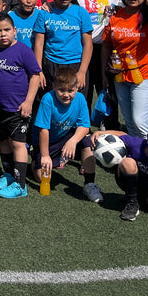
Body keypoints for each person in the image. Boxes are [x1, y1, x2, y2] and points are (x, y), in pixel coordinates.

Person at [0, 16, 42, 199]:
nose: (3, 34)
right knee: (3, 141)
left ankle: (20, 184)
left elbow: (35, 76)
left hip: (18, 108)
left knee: (18, 143)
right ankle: (8, 174)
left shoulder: (23, 51)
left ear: (14, 30)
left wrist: (28, 102)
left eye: (7, 30)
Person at [102, 0, 148, 138]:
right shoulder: (116, 16)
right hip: (120, 76)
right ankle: (137, 157)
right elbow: (107, 45)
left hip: (145, 75)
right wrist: (104, 74)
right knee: (130, 122)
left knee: (140, 122)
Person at [32, 66, 100, 202]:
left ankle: (89, 183)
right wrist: (45, 156)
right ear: (54, 86)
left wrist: (73, 141)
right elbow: (43, 130)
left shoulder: (80, 99)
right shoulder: (48, 99)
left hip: (66, 137)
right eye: (62, 90)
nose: (66, 94)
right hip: (47, 142)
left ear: (77, 88)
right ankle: (36, 163)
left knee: (88, 140)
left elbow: (85, 126)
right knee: (43, 178)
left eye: (71, 91)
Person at [32, 0, 93, 93]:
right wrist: (38, 71)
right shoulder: (44, 13)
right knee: (52, 104)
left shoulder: (81, 12)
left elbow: (88, 44)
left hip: (75, 64)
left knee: (75, 104)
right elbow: (38, 44)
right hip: (51, 65)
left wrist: (82, 71)